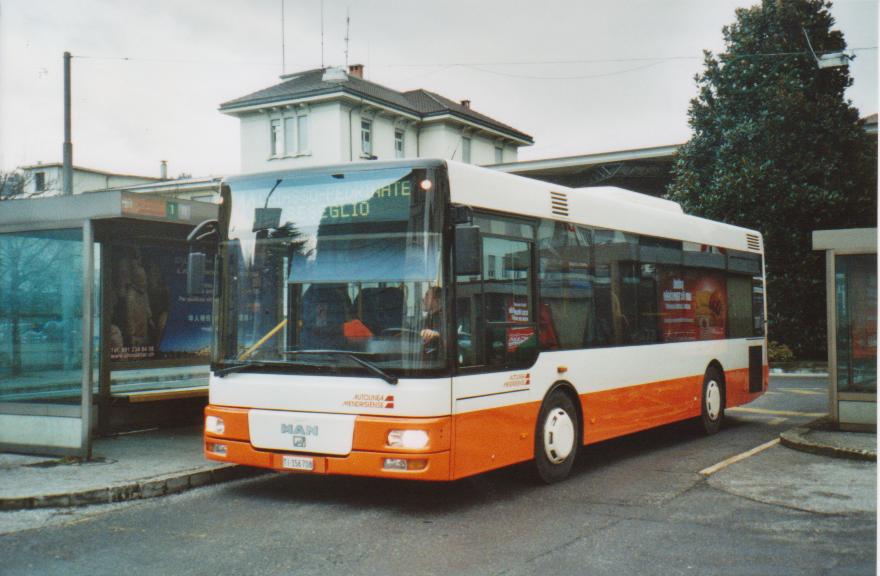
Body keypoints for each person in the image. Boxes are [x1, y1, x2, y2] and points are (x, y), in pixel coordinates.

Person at [420, 286, 443, 357]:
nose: (423, 299)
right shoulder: (427, 318)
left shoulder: (445, 317)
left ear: (437, 300)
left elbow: (449, 335)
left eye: (427, 296)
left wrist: (435, 334)